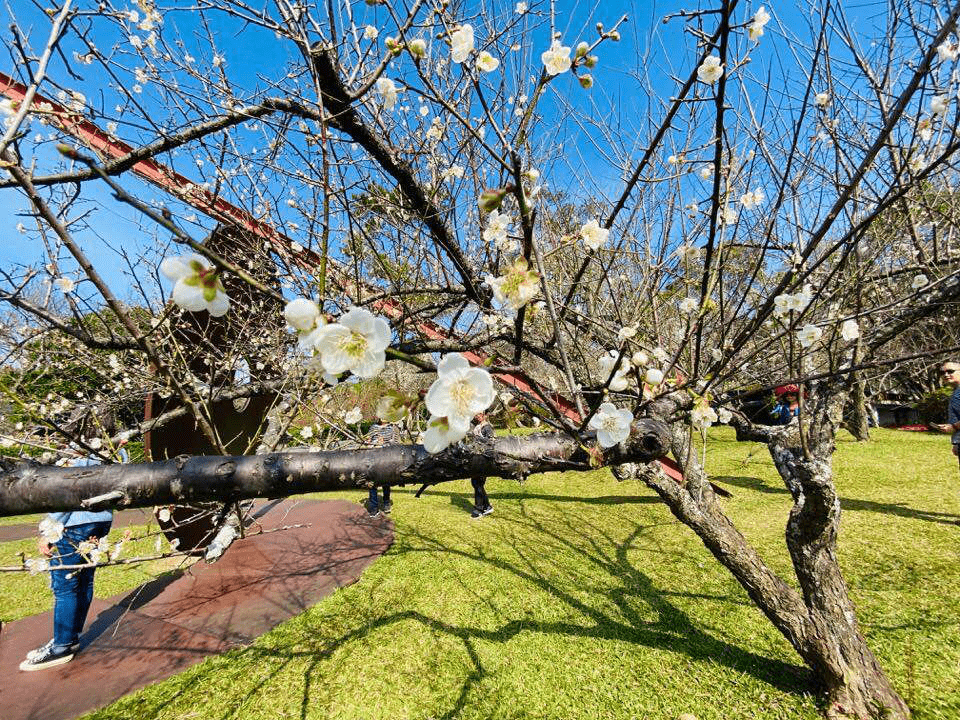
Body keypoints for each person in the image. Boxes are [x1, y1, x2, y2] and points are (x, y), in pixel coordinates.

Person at [20, 451, 115, 671]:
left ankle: (62, 646)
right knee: (84, 581)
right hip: (100, 521)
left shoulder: (76, 452)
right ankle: (69, 637)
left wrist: (48, 528)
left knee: (65, 586)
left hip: (74, 523)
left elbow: (70, 491)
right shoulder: (110, 450)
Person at [930, 360, 960, 472]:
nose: (946, 375)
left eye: (950, 371)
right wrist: (957, 442)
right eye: (942, 372)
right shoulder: (956, 391)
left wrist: (954, 427)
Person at [469, 414, 494, 519]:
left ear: (484, 415)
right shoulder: (476, 426)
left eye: (480, 414)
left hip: (484, 459)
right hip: (476, 458)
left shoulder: (487, 427)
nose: (477, 417)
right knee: (476, 483)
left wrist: (476, 438)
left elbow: (491, 442)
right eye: (476, 415)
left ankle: (479, 509)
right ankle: (487, 506)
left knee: (477, 483)